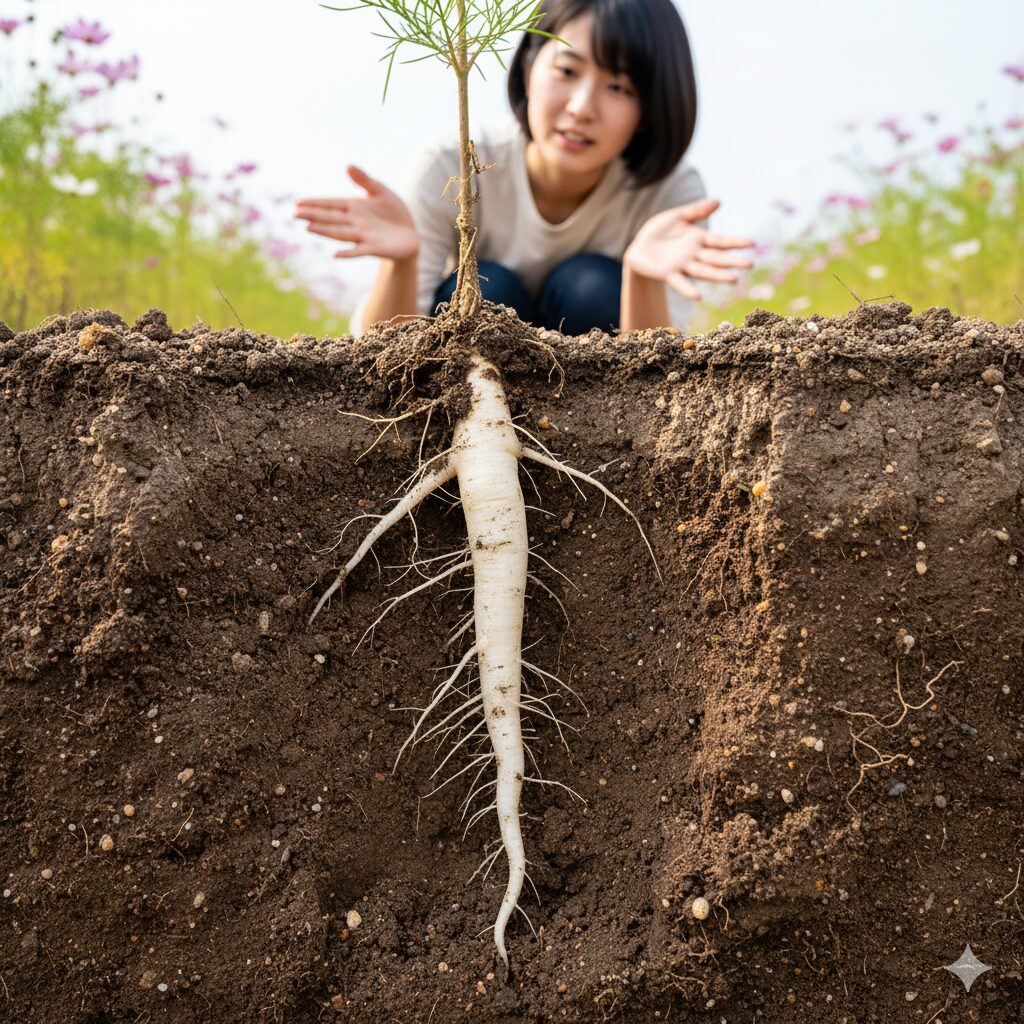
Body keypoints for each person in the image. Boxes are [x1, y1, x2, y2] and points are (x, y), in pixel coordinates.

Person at [295, 0, 754, 337]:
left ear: (651, 107)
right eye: (568, 71)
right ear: (530, 64)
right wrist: (401, 262)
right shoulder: (453, 167)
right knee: (484, 288)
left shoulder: (669, 198)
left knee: (591, 287)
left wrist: (642, 277)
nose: (582, 108)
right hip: (465, 393)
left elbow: (664, 384)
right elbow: (380, 353)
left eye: (618, 87)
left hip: (593, 411)